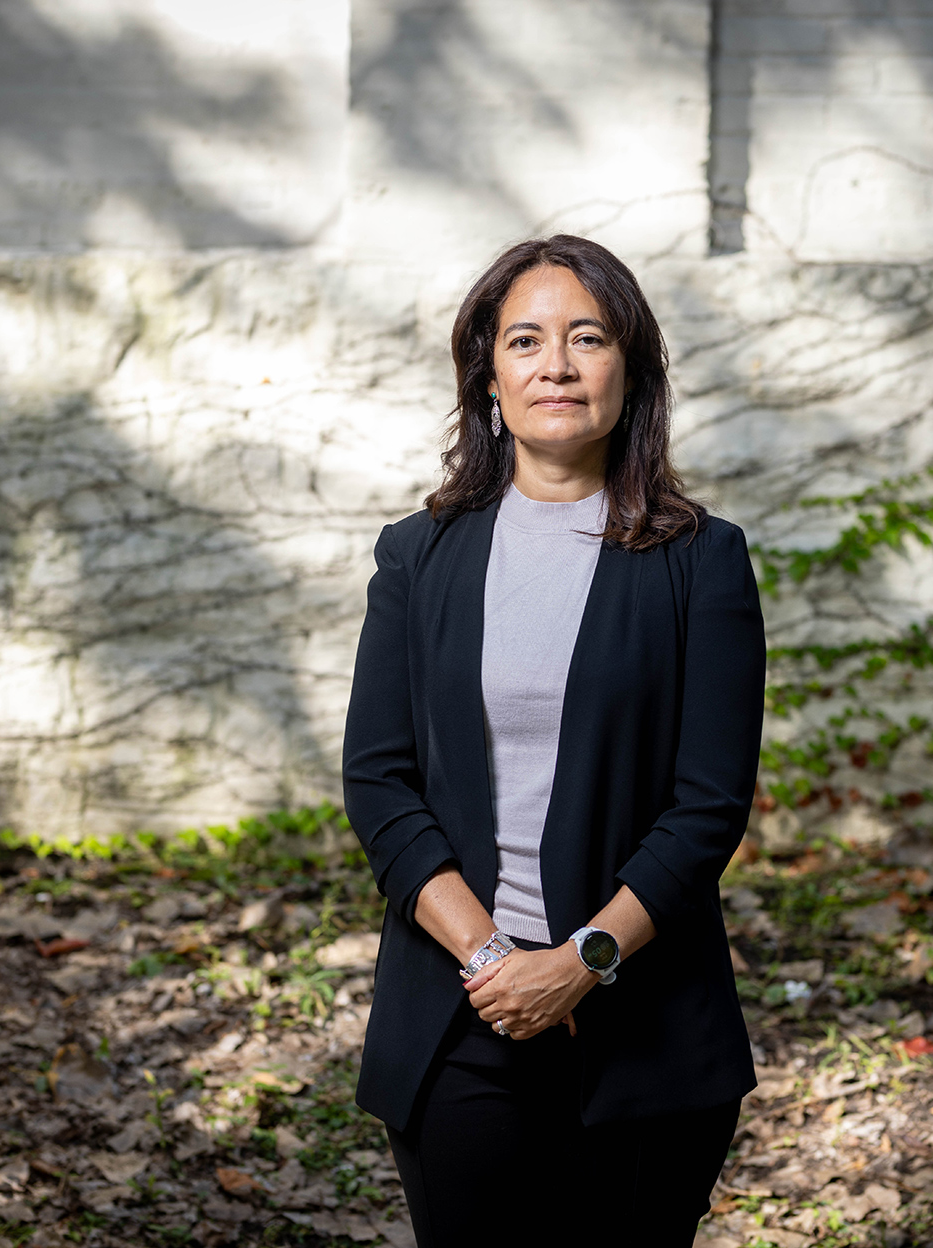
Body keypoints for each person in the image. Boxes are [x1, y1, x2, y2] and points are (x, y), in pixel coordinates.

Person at [342, 234, 766, 1248]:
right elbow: (380, 783)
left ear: (632, 368)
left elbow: (706, 806)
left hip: (643, 1024)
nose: (559, 366)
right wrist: (497, 960)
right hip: (461, 1011)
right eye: (526, 340)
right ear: (491, 375)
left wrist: (580, 961)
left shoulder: (701, 561)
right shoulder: (419, 555)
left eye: (589, 337)